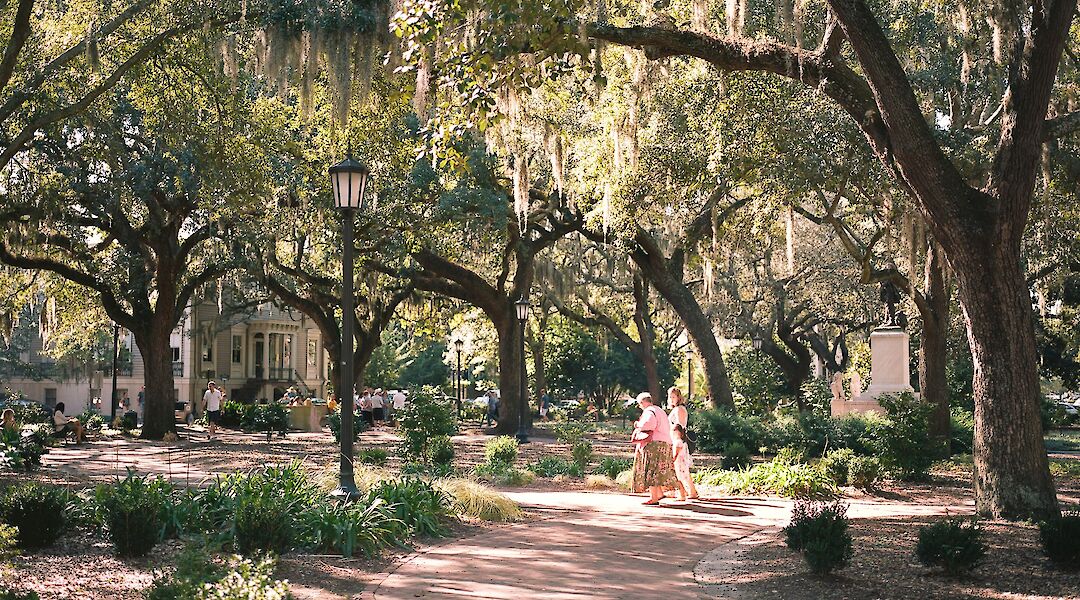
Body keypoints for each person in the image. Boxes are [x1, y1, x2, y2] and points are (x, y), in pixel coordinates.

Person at [630, 392, 677, 505]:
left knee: (651, 469)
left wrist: (638, 425)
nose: (640, 407)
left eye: (639, 404)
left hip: (654, 444)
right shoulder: (659, 410)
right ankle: (659, 493)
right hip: (665, 442)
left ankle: (654, 497)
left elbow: (649, 424)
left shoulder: (649, 411)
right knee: (658, 470)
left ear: (642, 402)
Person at [671, 424, 699, 501]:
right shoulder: (683, 442)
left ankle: (682, 494)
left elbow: (676, 454)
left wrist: (672, 461)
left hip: (679, 463)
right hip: (683, 462)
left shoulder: (678, 442)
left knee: (678, 478)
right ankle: (692, 493)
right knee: (687, 478)